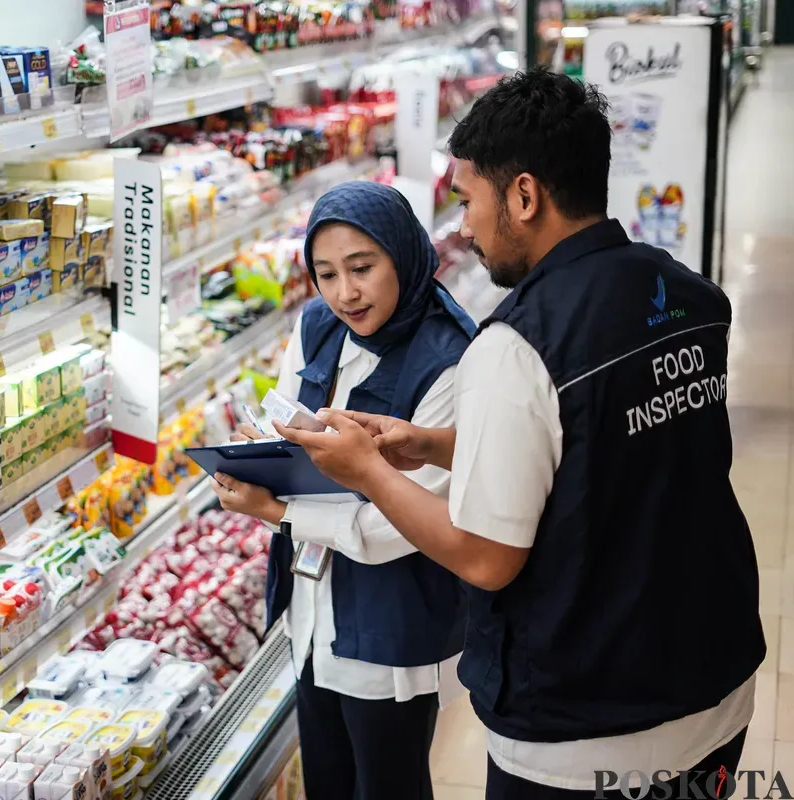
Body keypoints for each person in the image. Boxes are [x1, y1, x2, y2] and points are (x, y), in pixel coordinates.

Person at [276, 68, 766, 800]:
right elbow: (597, 444)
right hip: (715, 678)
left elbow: (485, 558)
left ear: (525, 195)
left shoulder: (516, 345)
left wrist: (368, 472)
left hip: (590, 722)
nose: (464, 227)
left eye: (468, 199)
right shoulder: (690, 296)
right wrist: (434, 444)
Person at [210, 181, 477, 800]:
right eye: (326, 274)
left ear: (403, 256)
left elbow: (405, 523)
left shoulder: (450, 359)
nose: (345, 294)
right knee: (327, 780)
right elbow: (284, 425)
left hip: (391, 622)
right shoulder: (317, 326)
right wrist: (253, 457)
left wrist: (277, 510)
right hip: (311, 609)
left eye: (362, 268)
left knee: (389, 784)